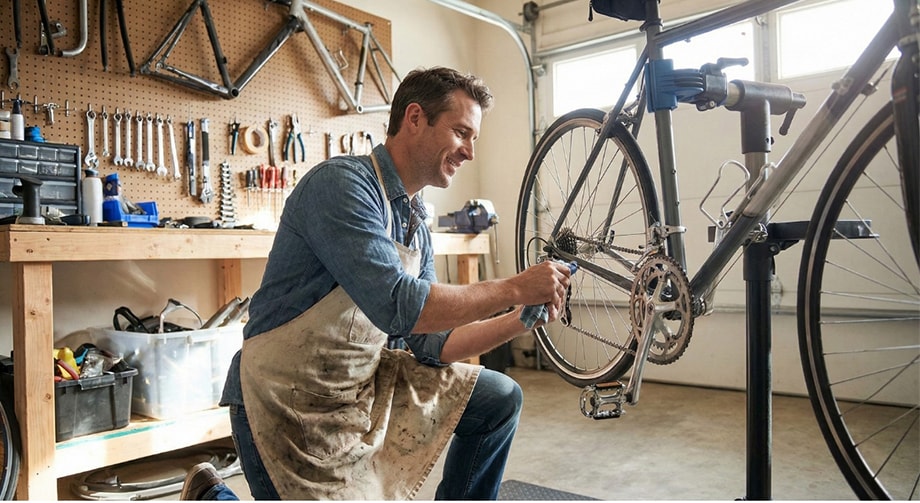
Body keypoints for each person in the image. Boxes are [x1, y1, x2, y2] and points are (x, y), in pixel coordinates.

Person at [195, 66, 573, 501]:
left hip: (358, 388)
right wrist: (514, 288)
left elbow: (431, 343)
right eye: (461, 133)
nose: (469, 152)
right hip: (283, 399)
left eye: (474, 138)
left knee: (498, 397)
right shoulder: (341, 185)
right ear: (415, 118)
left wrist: (520, 319)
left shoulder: (415, 223)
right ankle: (212, 496)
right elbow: (398, 304)